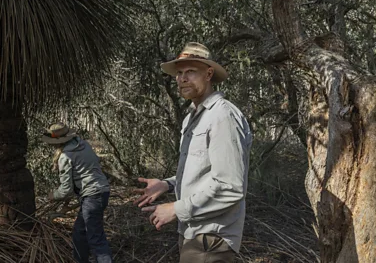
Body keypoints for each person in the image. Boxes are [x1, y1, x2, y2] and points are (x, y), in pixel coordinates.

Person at [134, 42, 252, 263]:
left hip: (212, 237)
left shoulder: (222, 116)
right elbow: (203, 171)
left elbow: (230, 186)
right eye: (179, 73)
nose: (182, 78)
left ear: (209, 74)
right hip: (193, 232)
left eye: (190, 71)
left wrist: (176, 209)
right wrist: (168, 184)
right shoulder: (192, 117)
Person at [43, 122, 112, 263]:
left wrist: (53, 196)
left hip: (92, 196)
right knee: (80, 233)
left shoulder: (65, 157)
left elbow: (66, 190)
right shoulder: (83, 144)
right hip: (102, 191)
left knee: (95, 237)